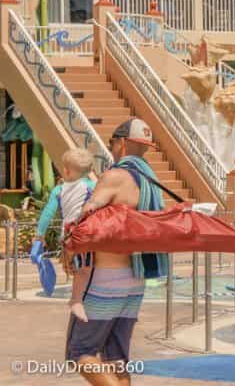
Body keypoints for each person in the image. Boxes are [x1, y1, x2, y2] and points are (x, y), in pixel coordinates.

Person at [70, 118, 165, 385]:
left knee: (82, 353)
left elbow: (88, 212)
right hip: (135, 278)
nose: (112, 148)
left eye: (113, 142)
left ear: (121, 143)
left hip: (105, 279)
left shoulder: (114, 176)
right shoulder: (151, 180)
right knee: (116, 358)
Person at [31, 149, 97, 321]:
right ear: (89, 171)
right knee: (85, 269)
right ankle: (76, 300)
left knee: (77, 268)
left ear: (66, 170)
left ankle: (79, 295)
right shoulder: (91, 187)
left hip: (67, 236)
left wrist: (39, 236)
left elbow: (47, 213)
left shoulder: (59, 190)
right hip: (84, 235)